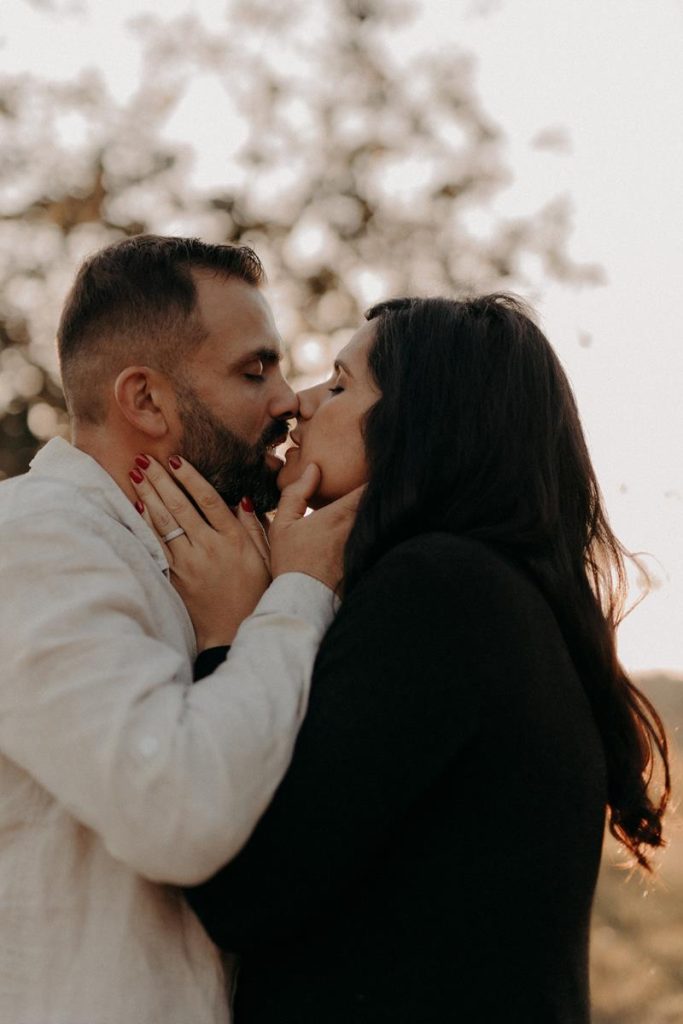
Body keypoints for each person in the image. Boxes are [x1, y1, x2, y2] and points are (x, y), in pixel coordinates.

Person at [138, 293, 670, 1023]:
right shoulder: (489, 594)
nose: (297, 402)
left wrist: (226, 635)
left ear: (419, 426)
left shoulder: (441, 593)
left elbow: (243, 890)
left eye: (340, 383)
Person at [0, 234, 359, 1024]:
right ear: (147, 401)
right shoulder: (32, 543)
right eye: (253, 370)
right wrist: (295, 598)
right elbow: (177, 817)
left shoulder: (203, 560)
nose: (288, 400)